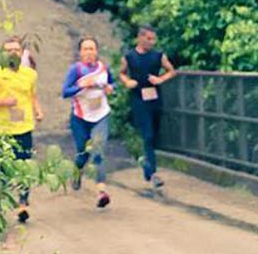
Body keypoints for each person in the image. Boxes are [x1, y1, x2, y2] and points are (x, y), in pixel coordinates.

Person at [0, 36, 44, 222]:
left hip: (24, 127)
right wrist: (3, 102)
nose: (13, 52)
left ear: (22, 53)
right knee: (2, 169)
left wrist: (38, 110)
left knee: (24, 168)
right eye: (8, 49)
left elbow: (32, 95)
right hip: (1, 129)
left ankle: (22, 204)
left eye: (16, 50)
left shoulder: (30, 74)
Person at [119, 24, 176, 191]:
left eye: (153, 39)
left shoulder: (158, 56)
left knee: (155, 135)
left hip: (155, 99)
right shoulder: (129, 57)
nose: (152, 42)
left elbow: (171, 71)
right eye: (149, 38)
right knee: (148, 135)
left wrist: (160, 79)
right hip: (139, 99)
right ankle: (153, 173)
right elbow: (122, 72)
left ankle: (146, 164)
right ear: (140, 38)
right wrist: (127, 82)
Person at [62, 36, 114, 209]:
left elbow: (112, 84)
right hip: (80, 118)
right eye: (85, 49)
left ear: (97, 51)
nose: (89, 52)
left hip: (101, 115)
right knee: (82, 153)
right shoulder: (75, 70)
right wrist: (83, 86)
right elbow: (65, 92)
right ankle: (77, 172)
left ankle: (101, 192)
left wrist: (110, 88)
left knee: (98, 150)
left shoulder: (104, 68)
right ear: (80, 52)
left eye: (92, 48)